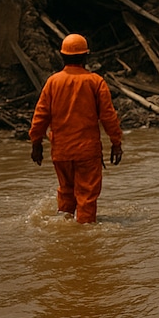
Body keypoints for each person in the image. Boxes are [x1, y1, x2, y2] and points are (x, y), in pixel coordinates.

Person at [29, 33, 123, 223]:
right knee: (87, 197)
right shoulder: (96, 82)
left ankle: (65, 233)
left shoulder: (53, 82)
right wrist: (116, 142)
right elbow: (108, 116)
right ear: (85, 56)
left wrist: (36, 143)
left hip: (61, 151)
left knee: (66, 192)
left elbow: (40, 116)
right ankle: (85, 240)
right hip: (87, 152)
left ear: (62, 56)